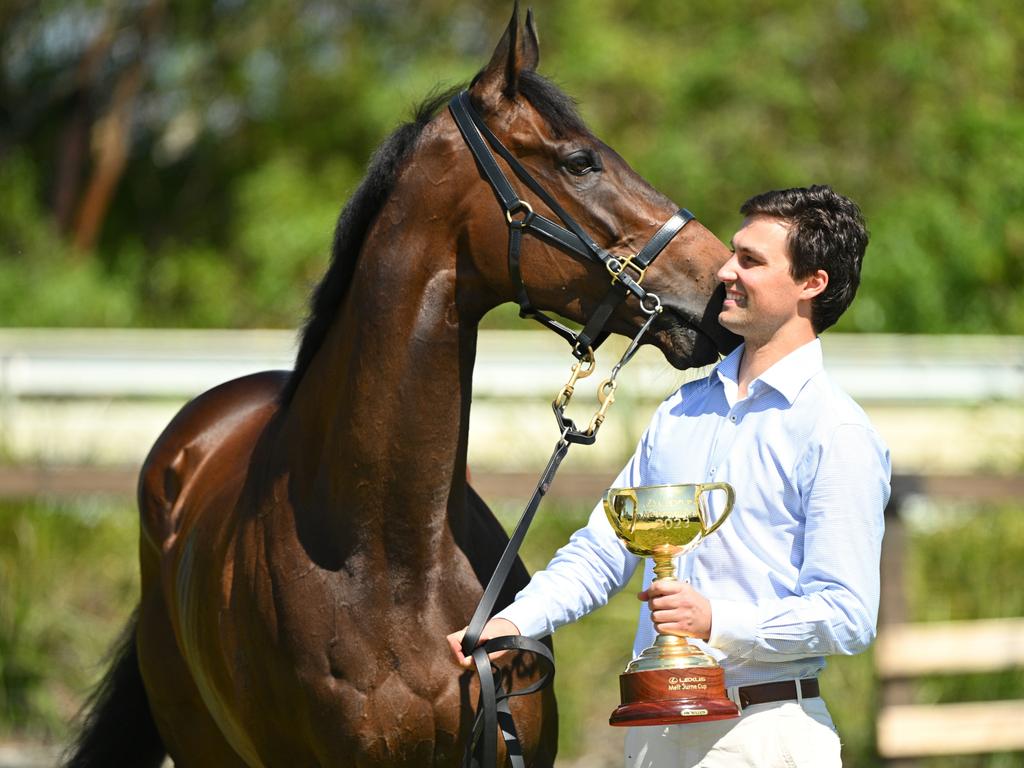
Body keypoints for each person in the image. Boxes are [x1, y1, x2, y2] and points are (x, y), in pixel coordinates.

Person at [448, 184, 891, 767]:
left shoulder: (837, 431)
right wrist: (512, 621)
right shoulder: (682, 410)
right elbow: (604, 549)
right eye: (735, 252)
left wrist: (716, 621)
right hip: (654, 735)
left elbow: (846, 614)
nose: (726, 270)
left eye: (751, 261)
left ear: (813, 284)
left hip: (764, 735)